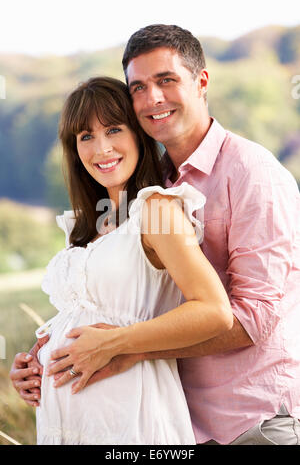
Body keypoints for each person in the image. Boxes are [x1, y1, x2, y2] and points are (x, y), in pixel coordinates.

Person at [11, 24, 300, 445]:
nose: (153, 99)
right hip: (178, 417)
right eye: (139, 87)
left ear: (201, 82)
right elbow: (130, 299)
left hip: (249, 419)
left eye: (166, 81)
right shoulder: (151, 187)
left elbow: (251, 318)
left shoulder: (252, 173)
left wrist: (123, 348)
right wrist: (48, 353)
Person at [11, 76, 232, 445]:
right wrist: (39, 360)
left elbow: (214, 311)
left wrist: (114, 344)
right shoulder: (86, 227)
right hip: (67, 426)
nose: (101, 149)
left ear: (138, 134)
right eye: (85, 137)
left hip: (132, 419)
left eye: (113, 129)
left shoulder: (156, 210)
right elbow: (87, 314)